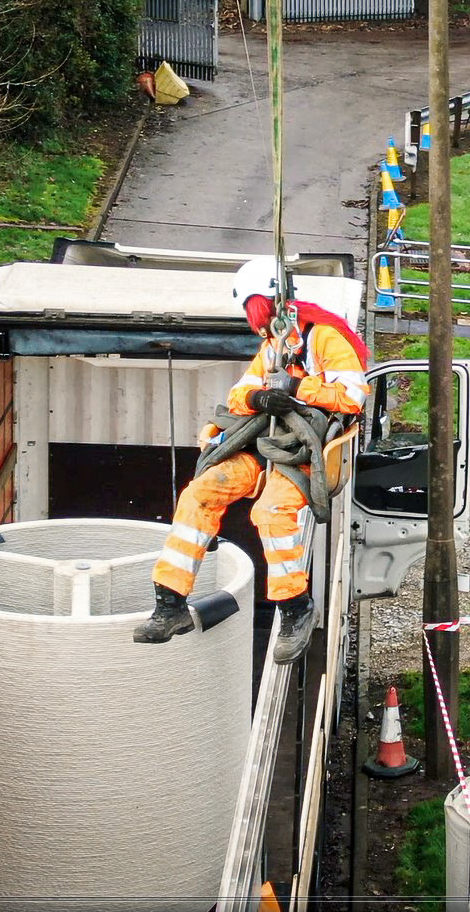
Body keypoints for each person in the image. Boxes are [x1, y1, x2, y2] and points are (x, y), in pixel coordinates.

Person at [135, 256, 369, 663]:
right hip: (265, 445)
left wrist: (297, 387)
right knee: (200, 493)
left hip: (305, 451)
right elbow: (237, 396)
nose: (259, 326)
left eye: (259, 315)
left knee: (271, 512)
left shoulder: (326, 339)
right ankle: (170, 602)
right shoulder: (273, 346)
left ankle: (295, 607)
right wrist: (261, 397)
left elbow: (352, 396)